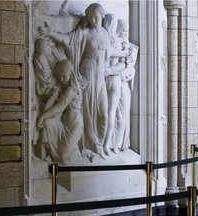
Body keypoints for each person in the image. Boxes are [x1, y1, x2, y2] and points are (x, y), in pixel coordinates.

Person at [39, 3, 128, 159]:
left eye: (97, 17)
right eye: (91, 17)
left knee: (103, 114)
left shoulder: (106, 34)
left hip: (100, 77)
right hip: (87, 75)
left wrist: (124, 53)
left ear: (102, 16)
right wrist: (52, 33)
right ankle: (88, 147)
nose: (94, 20)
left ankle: (100, 146)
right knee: (87, 112)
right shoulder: (84, 33)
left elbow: (109, 51)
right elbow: (68, 40)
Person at [37, 59, 83, 165]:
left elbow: (60, 107)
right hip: (63, 121)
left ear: (71, 75)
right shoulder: (61, 88)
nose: (62, 79)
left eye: (65, 76)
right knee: (48, 123)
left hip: (74, 123)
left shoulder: (71, 89)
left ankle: (74, 151)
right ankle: (51, 152)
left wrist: (43, 116)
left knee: (64, 158)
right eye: (60, 76)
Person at [102, 14, 126, 155]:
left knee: (108, 113)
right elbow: (121, 62)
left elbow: (122, 63)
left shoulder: (106, 38)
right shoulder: (115, 41)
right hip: (111, 79)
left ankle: (106, 145)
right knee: (108, 113)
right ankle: (104, 145)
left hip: (108, 78)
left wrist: (109, 70)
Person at [114, 19, 138, 151]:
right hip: (114, 82)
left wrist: (129, 72)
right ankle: (112, 145)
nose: (124, 33)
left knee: (123, 115)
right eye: (122, 30)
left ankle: (118, 144)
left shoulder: (130, 48)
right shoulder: (114, 45)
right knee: (113, 115)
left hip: (124, 85)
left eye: (126, 31)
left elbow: (130, 67)